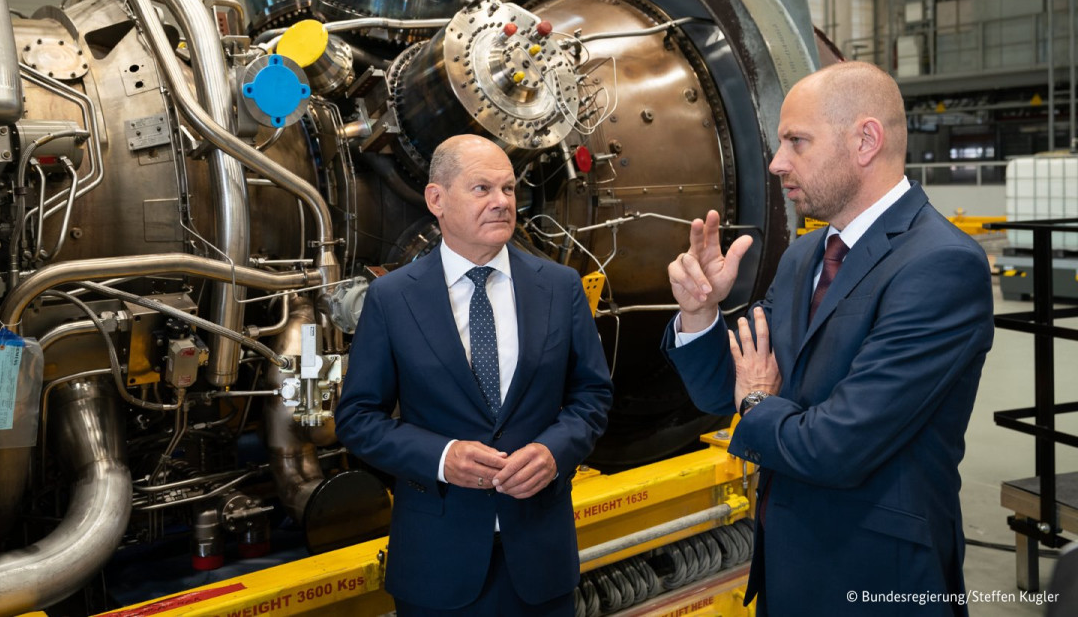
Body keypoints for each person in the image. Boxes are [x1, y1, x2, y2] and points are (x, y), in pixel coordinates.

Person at [663, 61, 994, 616]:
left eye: (796, 142)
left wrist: (756, 402)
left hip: (873, 578)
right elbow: (724, 390)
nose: (776, 163)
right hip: (787, 569)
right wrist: (701, 314)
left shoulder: (941, 266)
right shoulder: (804, 258)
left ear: (866, 140)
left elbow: (836, 446)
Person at [336, 134, 614, 615]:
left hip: (540, 560)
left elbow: (591, 395)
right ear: (436, 199)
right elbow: (358, 418)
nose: (502, 202)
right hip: (437, 562)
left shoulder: (559, 286)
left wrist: (554, 451)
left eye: (508, 189)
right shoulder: (392, 298)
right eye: (482, 188)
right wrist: (442, 457)